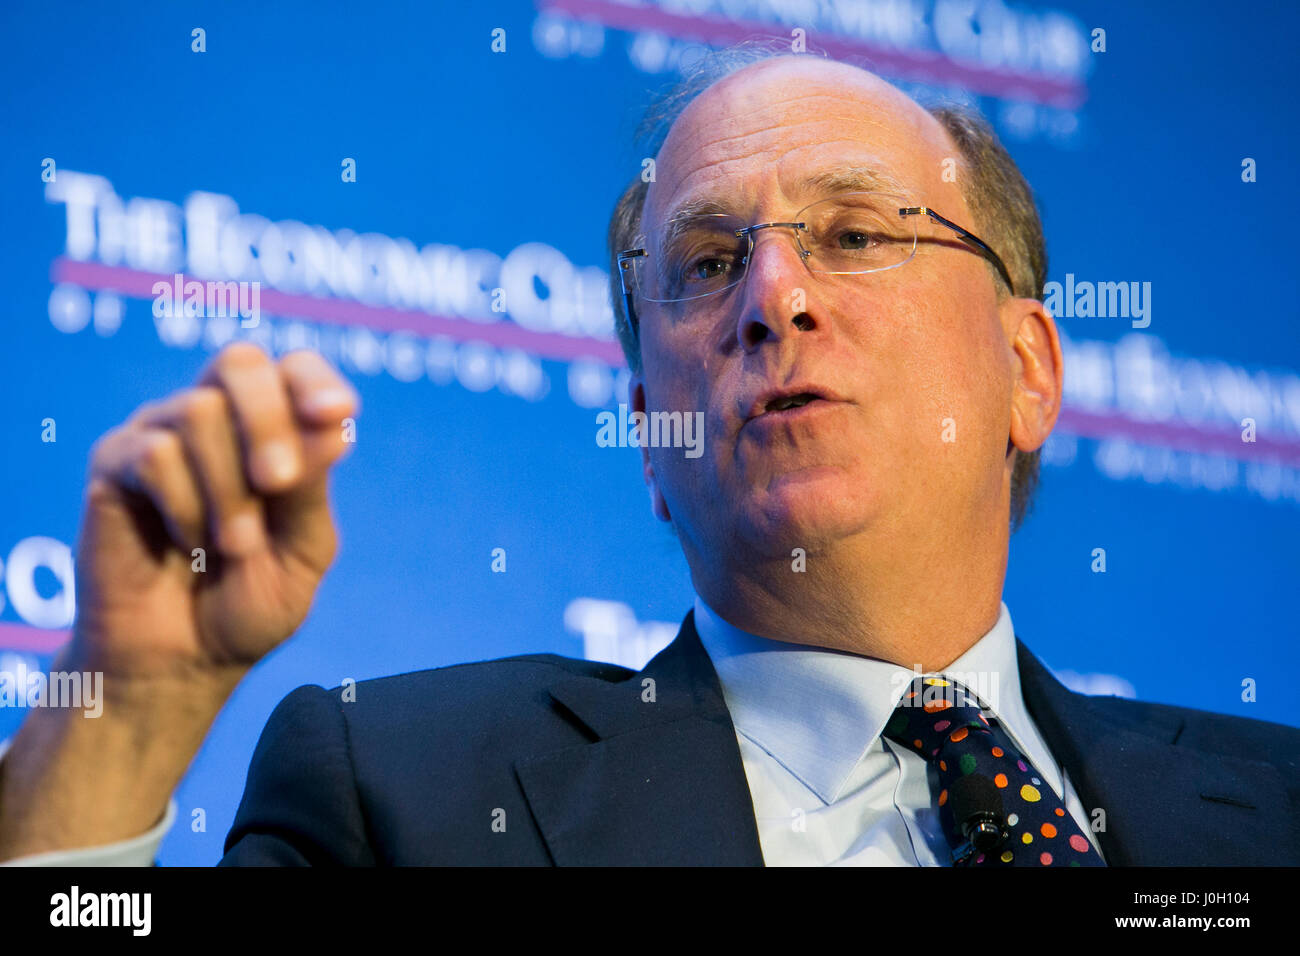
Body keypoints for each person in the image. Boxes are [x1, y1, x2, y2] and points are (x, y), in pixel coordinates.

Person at [1, 45, 1296, 866]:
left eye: (854, 235)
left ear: (1027, 369)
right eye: (710, 261)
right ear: (648, 433)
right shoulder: (405, 798)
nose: (774, 297)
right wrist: (124, 719)